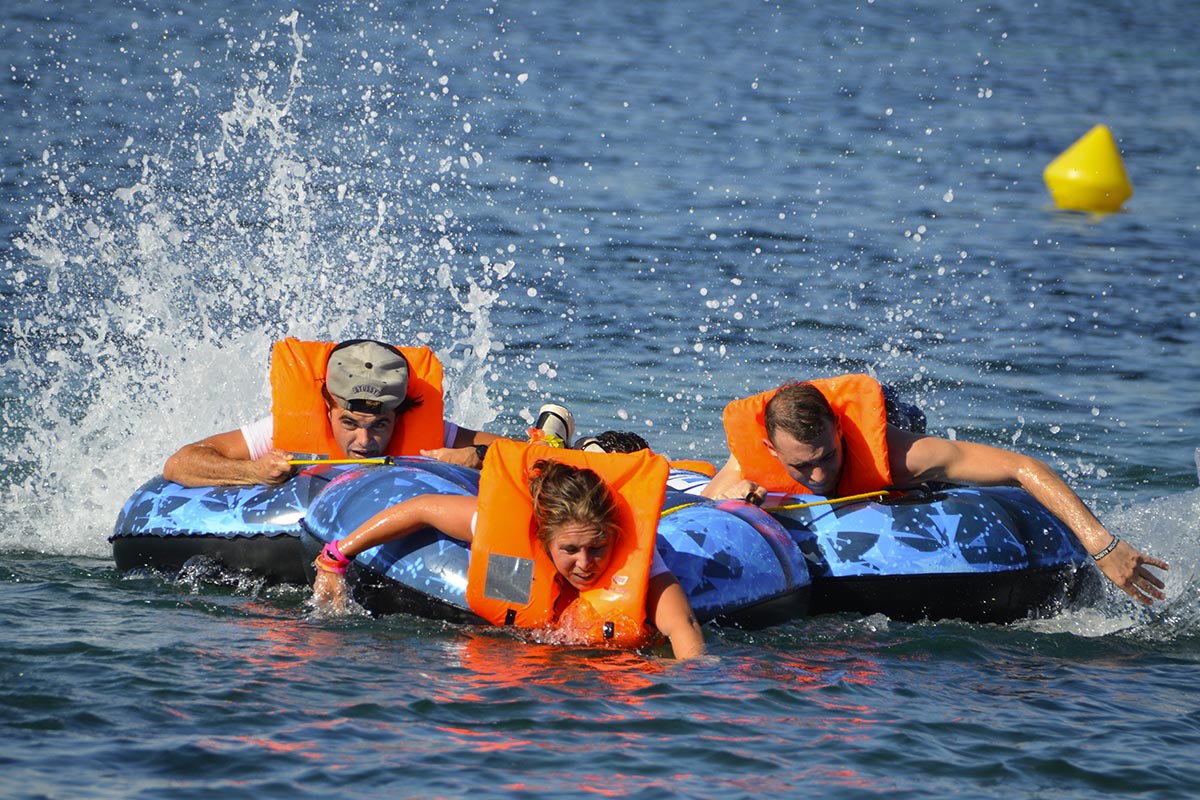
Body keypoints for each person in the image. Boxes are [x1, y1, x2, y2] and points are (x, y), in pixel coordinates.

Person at [703, 374, 1169, 605]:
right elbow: (704, 511)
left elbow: (1023, 467)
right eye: (803, 466)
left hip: (894, 418)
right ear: (772, 449)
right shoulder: (755, 457)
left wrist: (1102, 545)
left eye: (828, 457)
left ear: (840, 434)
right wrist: (739, 500)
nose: (820, 475)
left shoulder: (903, 456)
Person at [312, 441, 706, 661]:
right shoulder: (509, 528)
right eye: (570, 549)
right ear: (543, 535)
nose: (586, 563)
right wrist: (335, 557)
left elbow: (683, 629)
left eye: (597, 548)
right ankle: (555, 442)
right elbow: (421, 508)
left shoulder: (637, 554)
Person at [163, 338, 500, 487]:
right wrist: (254, 472)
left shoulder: (431, 435)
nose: (365, 441)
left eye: (380, 425)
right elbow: (180, 463)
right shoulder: (280, 431)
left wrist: (479, 455)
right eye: (350, 423)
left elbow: (525, 455)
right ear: (328, 407)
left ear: (399, 414)